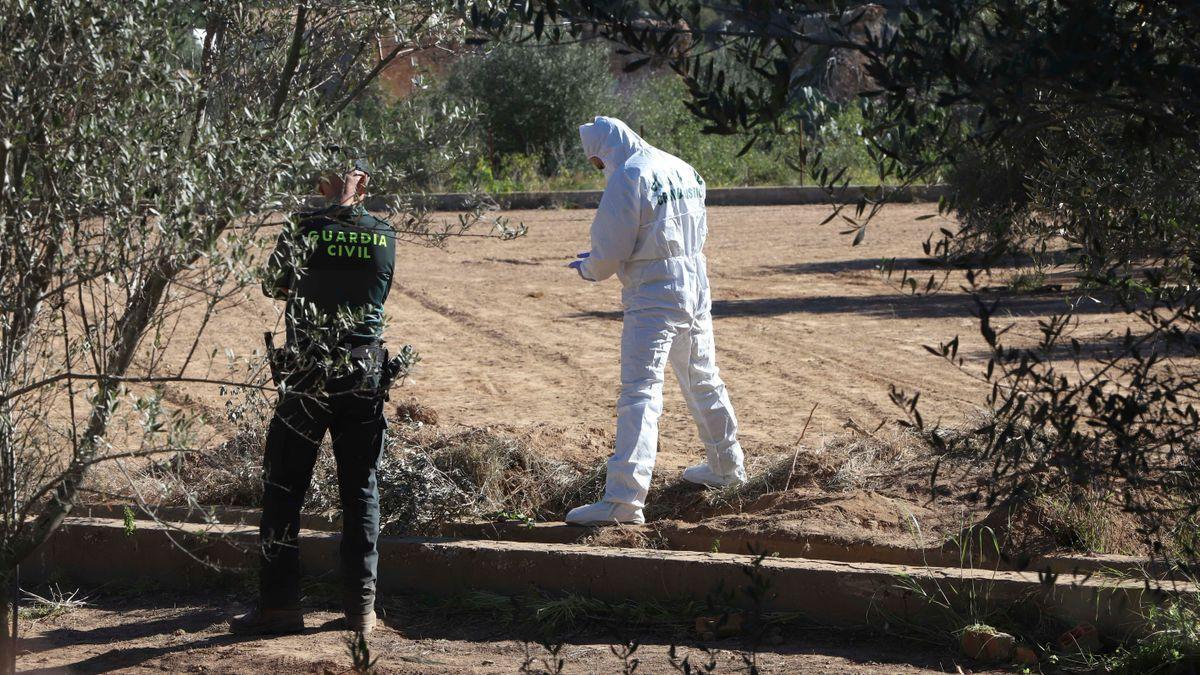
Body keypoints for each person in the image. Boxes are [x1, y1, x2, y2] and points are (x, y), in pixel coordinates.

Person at [230, 156, 396, 635]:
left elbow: (272, 286)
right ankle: (359, 609)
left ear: (325, 186)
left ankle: (279, 606)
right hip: (363, 370)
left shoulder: (303, 227)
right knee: (360, 488)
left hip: (307, 369)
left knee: (284, 488)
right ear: (363, 189)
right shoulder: (384, 234)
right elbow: (376, 295)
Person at [565, 116, 747, 526]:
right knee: (702, 375)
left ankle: (624, 500)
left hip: (653, 290)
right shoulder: (682, 167)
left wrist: (588, 269)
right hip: (695, 283)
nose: (599, 169)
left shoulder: (628, 177)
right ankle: (727, 466)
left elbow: (610, 251)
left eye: (596, 161)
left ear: (605, 150)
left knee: (640, 391)